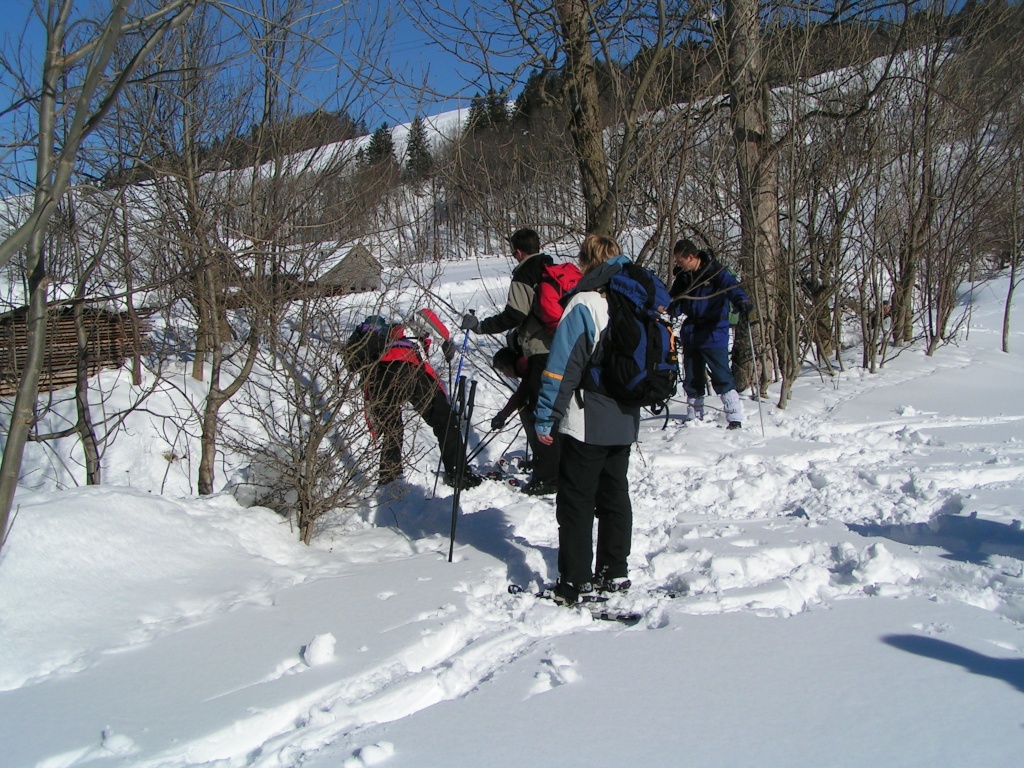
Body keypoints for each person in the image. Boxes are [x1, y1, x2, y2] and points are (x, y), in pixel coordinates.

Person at [534, 233, 640, 606]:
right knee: (614, 495)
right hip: (625, 417)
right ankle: (615, 571)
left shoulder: (584, 302)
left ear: (585, 262)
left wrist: (547, 416)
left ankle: (576, 580)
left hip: (587, 419)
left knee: (577, 501)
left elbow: (563, 366)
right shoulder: (633, 298)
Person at [460, 227, 560, 495]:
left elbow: (515, 313)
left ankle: (549, 478)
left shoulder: (524, 273)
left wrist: (481, 327)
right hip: (563, 347)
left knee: (542, 414)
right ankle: (550, 469)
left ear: (518, 252)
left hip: (540, 350)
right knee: (553, 411)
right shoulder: (552, 269)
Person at [345, 315, 481, 490]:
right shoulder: (407, 330)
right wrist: (447, 342)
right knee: (445, 422)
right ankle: (459, 474)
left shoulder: (372, 341)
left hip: (380, 377)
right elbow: (430, 318)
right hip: (411, 370)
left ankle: (390, 480)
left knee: (392, 430)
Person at [667, 240, 753, 430]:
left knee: (721, 373)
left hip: (714, 331)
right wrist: (670, 307)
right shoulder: (683, 277)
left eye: (681, 261)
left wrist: (742, 302)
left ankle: (734, 415)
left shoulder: (715, 272)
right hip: (692, 332)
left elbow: (733, 288)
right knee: (692, 375)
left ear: (691, 257)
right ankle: (695, 414)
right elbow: (674, 300)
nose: (679, 265)